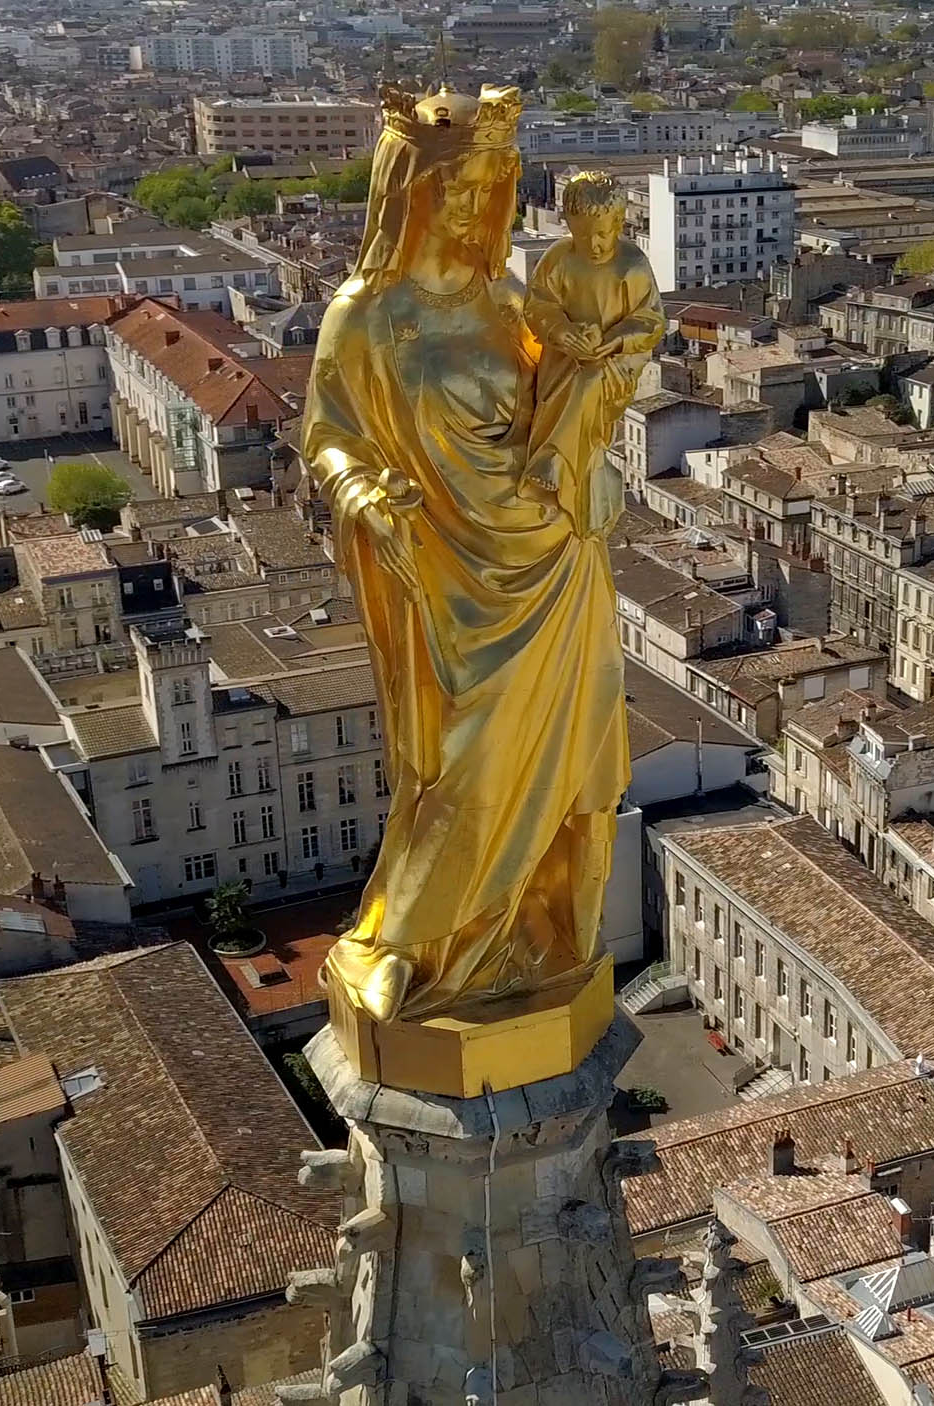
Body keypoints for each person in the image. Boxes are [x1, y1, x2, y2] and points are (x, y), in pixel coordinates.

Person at [299, 86, 630, 1024]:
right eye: (450, 187)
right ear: (407, 191)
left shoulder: (509, 301)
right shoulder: (363, 316)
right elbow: (327, 436)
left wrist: (597, 432)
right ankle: (410, 938)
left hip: (556, 560)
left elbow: (565, 403)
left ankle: (530, 934)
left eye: (486, 187)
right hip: (445, 571)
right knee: (463, 763)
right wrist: (367, 495)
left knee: (563, 759)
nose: (469, 205)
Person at [524, 171, 665, 537]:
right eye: (584, 234)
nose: (596, 244)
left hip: (618, 360)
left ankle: (555, 459)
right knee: (576, 379)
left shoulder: (631, 265)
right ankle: (566, 471)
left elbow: (651, 321)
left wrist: (614, 340)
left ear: (620, 223)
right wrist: (562, 332)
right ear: (569, 226)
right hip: (563, 356)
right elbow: (538, 304)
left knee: (591, 380)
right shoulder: (558, 259)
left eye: (604, 233)